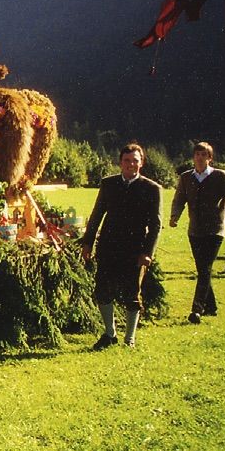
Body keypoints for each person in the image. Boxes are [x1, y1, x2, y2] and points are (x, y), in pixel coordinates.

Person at [79, 143, 162, 349]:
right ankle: (110, 334)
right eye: (127, 160)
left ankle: (129, 338)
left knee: (132, 294)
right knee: (102, 291)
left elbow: (156, 225)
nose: (131, 164)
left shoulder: (152, 189)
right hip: (108, 246)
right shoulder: (109, 184)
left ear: (141, 163)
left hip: (135, 249)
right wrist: (88, 243)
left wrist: (148, 252)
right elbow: (97, 215)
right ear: (120, 162)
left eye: (135, 160)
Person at [169, 142, 225, 322]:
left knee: (204, 269)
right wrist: (175, 216)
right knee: (203, 269)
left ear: (210, 158)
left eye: (204, 155)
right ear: (193, 157)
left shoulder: (220, 177)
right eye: (197, 154)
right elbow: (179, 199)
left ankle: (197, 309)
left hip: (215, 231)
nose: (200, 158)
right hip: (194, 232)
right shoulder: (186, 178)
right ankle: (211, 306)